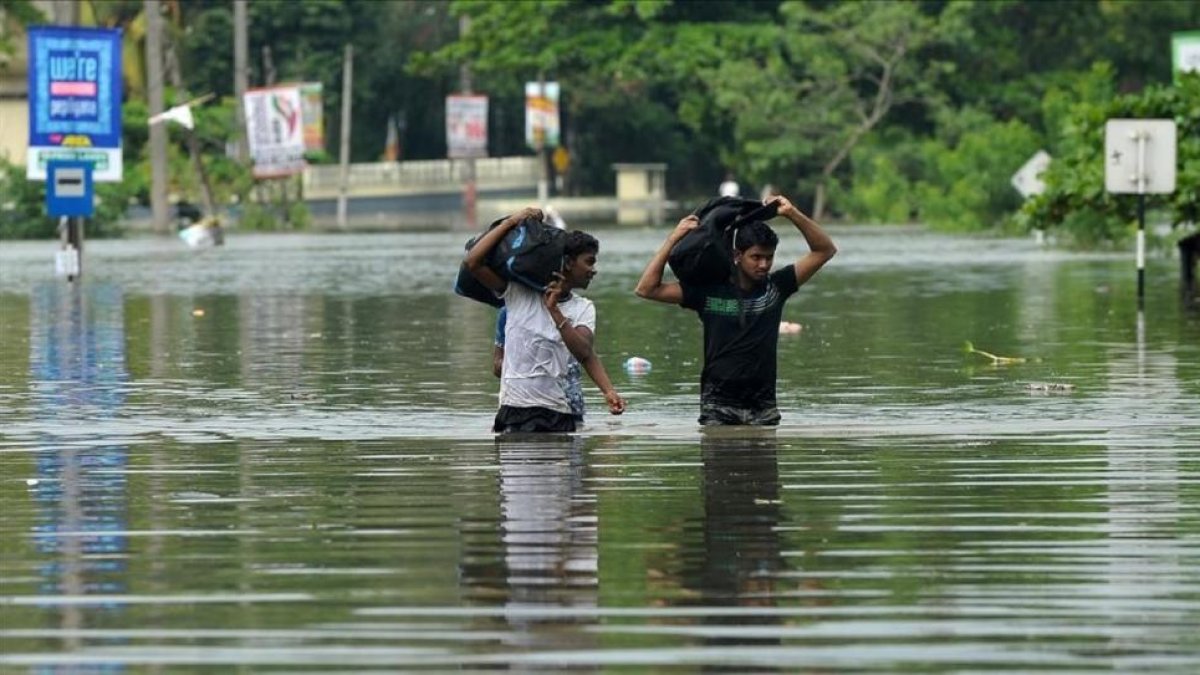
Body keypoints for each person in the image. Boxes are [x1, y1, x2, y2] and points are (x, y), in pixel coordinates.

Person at [634, 195, 836, 425]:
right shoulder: (709, 293)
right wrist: (673, 239)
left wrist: (792, 213)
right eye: (756, 257)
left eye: (769, 258)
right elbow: (646, 289)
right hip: (719, 405)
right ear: (737, 256)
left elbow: (825, 250)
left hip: (763, 405)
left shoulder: (776, 288)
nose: (763, 265)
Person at [466, 207, 625, 433]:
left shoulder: (582, 308)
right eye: (589, 262)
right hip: (512, 410)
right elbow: (473, 263)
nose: (593, 270)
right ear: (569, 263)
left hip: (556, 413)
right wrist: (510, 222)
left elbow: (584, 352)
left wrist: (609, 392)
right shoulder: (517, 294)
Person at [494, 306, 585, 424]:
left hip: (565, 404)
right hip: (518, 406)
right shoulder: (508, 312)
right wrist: (518, 365)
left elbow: (584, 354)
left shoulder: (569, 309)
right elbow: (497, 366)